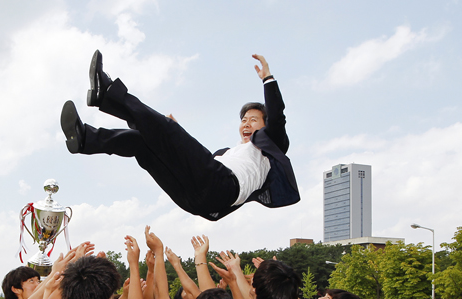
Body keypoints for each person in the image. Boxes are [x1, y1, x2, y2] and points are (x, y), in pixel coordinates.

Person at [60, 50, 299, 221]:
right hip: (195, 199)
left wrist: (268, 79)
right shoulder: (228, 153)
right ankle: (84, 139)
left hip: (223, 189)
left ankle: (107, 93)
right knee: (141, 143)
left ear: (265, 126)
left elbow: (277, 117)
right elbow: (199, 160)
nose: (246, 124)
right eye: (243, 120)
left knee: (165, 130)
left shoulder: (271, 146)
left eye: (253, 120)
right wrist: (174, 134)